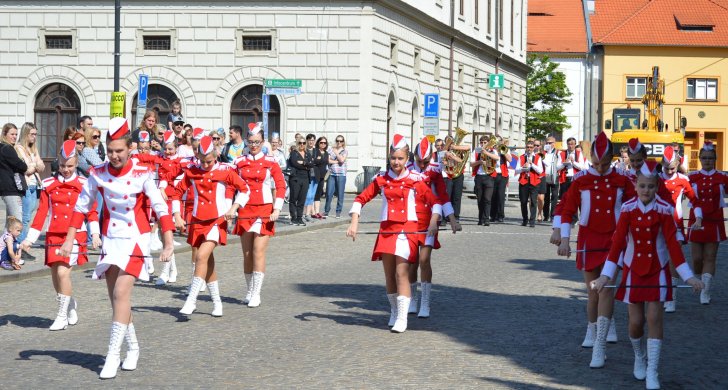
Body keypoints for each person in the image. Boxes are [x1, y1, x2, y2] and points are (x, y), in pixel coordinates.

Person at [58, 117, 175, 379]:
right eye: (110, 150)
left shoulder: (142, 173)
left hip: (136, 237)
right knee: (116, 299)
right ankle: (133, 347)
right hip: (112, 239)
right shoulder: (98, 172)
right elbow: (82, 206)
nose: (114, 156)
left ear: (130, 149)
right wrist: (69, 238)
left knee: (122, 292)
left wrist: (168, 242)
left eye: (119, 151)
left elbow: (160, 207)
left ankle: (112, 355)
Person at [590, 162, 703, 389]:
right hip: (633, 270)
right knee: (635, 323)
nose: (646, 191)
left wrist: (688, 277)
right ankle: (639, 355)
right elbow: (617, 244)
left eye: (651, 186)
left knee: (654, 318)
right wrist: (605, 277)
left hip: (657, 270)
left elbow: (673, 247)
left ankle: (653, 370)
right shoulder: (628, 209)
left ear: (656, 186)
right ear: (636, 185)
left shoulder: (664, 209)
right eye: (642, 186)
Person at [552, 132, 635, 368]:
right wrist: (565, 238)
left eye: (605, 164)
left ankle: (599, 346)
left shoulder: (623, 181)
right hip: (588, 240)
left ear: (612, 159)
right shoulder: (580, 180)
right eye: (596, 164)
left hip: (614, 241)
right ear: (590, 160)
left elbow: (635, 207)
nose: (600, 168)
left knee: (606, 289)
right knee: (592, 292)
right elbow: (567, 210)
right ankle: (593, 327)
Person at [346, 134, 440, 333]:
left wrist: (433, 221)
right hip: (387, 230)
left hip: (408, 229)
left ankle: (403, 317)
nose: (396, 162)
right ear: (389, 157)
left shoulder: (416, 179)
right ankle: (394, 311)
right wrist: (354, 221)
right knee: (389, 275)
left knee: (401, 273)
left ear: (407, 159)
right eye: (394, 158)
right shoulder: (381, 179)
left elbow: (435, 202)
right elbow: (360, 198)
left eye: (400, 158)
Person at [20, 140, 101, 330]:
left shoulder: (83, 183)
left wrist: (95, 233)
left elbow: (92, 211)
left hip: (75, 234)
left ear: (76, 164)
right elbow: (41, 213)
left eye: (70, 166)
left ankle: (61, 316)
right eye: (63, 165)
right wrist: (29, 239)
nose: (66, 169)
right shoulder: (48, 184)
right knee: (56, 276)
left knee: (63, 272)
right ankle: (70, 302)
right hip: (54, 234)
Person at [173, 135, 250, 316]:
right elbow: (177, 192)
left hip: (217, 220)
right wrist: (177, 215)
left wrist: (234, 207)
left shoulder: (225, 170)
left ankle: (191, 300)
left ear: (215, 156)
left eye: (209, 161)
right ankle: (217, 303)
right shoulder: (192, 170)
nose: (205, 165)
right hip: (198, 220)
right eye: (202, 161)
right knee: (207, 263)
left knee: (201, 257)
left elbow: (244, 188)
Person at [232, 123, 285, 307]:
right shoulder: (238, 162)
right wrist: (230, 208)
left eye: (257, 142)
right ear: (246, 141)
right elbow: (230, 185)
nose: (254, 145)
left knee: (258, 251)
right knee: (247, 253)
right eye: (251, 141)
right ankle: (249, 289)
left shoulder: (271, 161)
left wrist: (277, 208)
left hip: (264, 210)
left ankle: (256, 292)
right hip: (245, 210)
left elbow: (280, 185)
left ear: (263, 142)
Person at [408, 137, 460, 317]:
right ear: (414, 156)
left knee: (424, 259)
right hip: (411, 220)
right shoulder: (406, 170)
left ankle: (425, 302)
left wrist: (452, 218)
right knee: (412, 261)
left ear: (431, 157)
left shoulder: (435, 171)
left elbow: (443, 196)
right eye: (419, 161)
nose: (422, 164)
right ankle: (412, 299)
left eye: (425, 161)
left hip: (431, 219)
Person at [656, 146, 701, 313]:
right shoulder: (655, 179)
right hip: (656, 225)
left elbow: (695, 200)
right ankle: (658, 293)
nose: (669, 171)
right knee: (658, 260)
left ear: (678, 164)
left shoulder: (683, 179)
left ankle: (672, 298)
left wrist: (699, 217)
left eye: (672, 168)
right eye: (666, 167)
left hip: (676, 224)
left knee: (674, 260)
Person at [687, 141, 728, 305]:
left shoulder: (723, 177)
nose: (707, 161)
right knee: (697, 259)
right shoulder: (692, 177)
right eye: (704, 158)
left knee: (710, 257)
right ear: (700, 159)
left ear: (715, 159)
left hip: (715, 220)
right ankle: (700, 276)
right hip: (696, 221)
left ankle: (705, 292)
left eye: (711, 158)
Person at [15, 122, 45, 254]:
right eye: (32, 134)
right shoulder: (19, 148)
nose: (34, 137)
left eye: (36, 134)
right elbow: (26, 169)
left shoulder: (34, 149)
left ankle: (22, 244)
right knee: (25, 217)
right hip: (25, 185)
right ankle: (21, 247)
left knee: (29, 216)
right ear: (26, 134)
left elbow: (42, 166)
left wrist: (34, 165)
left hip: (35, 184)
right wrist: (34, 165)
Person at [1, 123, 28, 221]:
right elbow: (23, 166)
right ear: (4, 134)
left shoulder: (2, 147)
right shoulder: (7, 148)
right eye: (12, 134)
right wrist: (24, 163)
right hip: (11, 189)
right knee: (17, 222)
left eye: (16, 134)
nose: (15, 137)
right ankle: (13, 237)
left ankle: (6, 237)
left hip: (7, 189)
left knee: (10, 223)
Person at [471, 135, 498, 226]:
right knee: (480, 199)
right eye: (481, 142)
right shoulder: (476, 150)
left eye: (485, 143)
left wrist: (486, 153)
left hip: (489, 177)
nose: (483, 144)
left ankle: (487, 219)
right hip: (479, 177)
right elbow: (471, 164)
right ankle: (480, 218)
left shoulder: (493, 151)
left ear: (488, 143)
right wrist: (479, 162)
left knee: (487, 199)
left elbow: (497, 158)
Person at [515, 140, 543, 227]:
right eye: (528, 147)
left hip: (534, 181)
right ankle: (525, 219)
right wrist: (523, 168)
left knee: (534, 201)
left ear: (534, 148)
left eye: (531, 147)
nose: (529, 149)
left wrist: (532, 164)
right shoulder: (522, 157)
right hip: (524, 181)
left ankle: (532, 221)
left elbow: (540, 170)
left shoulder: (538, 157)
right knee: (523, 201)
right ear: (525, 148)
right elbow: (516, 170)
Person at [287, 136, 313, 225]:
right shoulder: (294, 153)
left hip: (305, 178)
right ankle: (293, 218)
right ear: (297, 144)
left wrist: (303, 163)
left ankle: (299, 217)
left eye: (303, 143)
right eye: (300, 143)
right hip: (295, 178)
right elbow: (295, 163)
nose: (302, 145)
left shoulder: (307, 153)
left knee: (302, 199)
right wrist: (306, 164)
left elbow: (312, 164)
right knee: (294, 198)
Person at [441, 135, 467, 221]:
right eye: (448, 142)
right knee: (447, 196)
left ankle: (456, 216)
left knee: (457, 196)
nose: (450, 144)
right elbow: (441, 160)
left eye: (451, 142)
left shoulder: (458, 149)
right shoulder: (443, 151)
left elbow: (461, 160)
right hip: (448, 175)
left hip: (458, 175)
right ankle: (446, 216)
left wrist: (452, 155)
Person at [489, 136, 512, 223]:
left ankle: (500, 215)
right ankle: (493, 215)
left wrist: (502, 150)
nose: (497, 143)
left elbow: (510, 160)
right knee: (492, 195)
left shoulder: (505, 149)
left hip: (503, 174)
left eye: (499, 141)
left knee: (500, 195)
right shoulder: (491, 149)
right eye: (496, 141)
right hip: (493, 173)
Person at [325, 135, 347, 218]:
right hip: (332, 173)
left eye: (341, 141)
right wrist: (337, 161)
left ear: (343, 142)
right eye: (337, 141)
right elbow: (328, 160)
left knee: (340, 194)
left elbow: (342, 160)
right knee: (329, 193)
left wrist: (336, 153)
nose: (339, 142)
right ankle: (326, 211)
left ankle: (338, 212)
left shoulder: (345, 151)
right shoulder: (330, 149)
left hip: (341, 175)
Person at [541, 136, 561, 222]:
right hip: (545, 176)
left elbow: (559, 165)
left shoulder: (558, 152)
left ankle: (553, 215)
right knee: (546, 196)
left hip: (554, 176)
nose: (548, 144)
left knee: (554, 196)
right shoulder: (543, 153)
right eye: (547, 143)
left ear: (554, 143)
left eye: (550, 143)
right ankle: (545, 215)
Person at [303, 133, 321, 221]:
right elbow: (305, 161)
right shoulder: (304, 150)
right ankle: (306, 213)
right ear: (307, 141)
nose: (311, 142)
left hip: (316, 176)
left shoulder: (316, 150)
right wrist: (313, 161)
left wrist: (312, 161)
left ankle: (308, 214)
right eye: (309, 140)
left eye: (313, 140)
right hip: (308, 175)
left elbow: (319, 160)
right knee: (308, 195)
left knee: (312, 195)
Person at [311, 136, 329, 219]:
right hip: (315, 175)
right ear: (318, 143)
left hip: (322, 176)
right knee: (312, 194)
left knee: (318, 194)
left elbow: (327, 164)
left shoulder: (326, 153)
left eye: (324, 143)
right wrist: (316, 159)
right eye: (321, 142)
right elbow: (312, 161)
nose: (323, 144)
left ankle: (317, 212)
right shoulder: (315, 151)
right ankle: (312, 212)